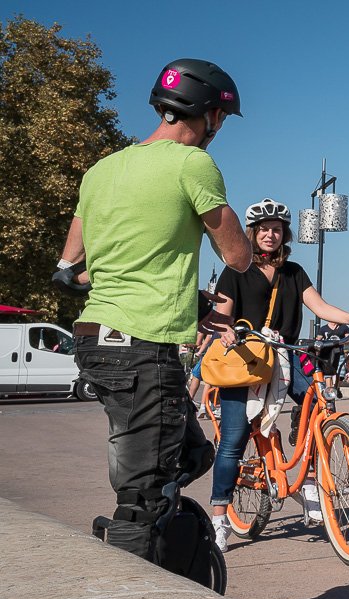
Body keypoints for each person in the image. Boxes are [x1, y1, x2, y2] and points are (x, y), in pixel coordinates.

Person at [57, 58, 252, 559]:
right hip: (141, 346)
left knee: (190, 450)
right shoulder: (193, 164)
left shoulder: (102, 169)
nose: (220, 131)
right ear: (206, 112)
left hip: (95, 336)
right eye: (222, 119)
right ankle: (132, 587)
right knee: (143, 492)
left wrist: (190, 301)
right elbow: (237, 256)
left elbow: (72, 256)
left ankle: (163, 525)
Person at [208, 198, 349, 551]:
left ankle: (310, 481)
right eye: (263, 229)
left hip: (283, 354)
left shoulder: (293, 272)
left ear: (285, 235)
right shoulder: (235, 271)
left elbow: (320, 306)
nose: (270, 234)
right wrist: (227, 331)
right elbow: (223, 314)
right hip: (246, 356)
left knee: (317, 404)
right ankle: (219, 517)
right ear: (252, 233)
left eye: (276, 229)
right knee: (234, 438)